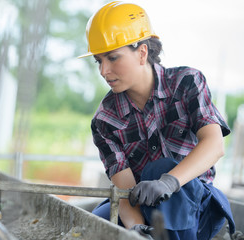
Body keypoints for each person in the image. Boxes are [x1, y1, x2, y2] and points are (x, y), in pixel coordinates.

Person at [78, 1, 236, 239]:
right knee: (96, 223)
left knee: (160, 169)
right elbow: (125, 189)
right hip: (144, 209)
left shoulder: (187, 83)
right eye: (99, 61)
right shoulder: (104, 120)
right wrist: (136, 229)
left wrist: (169, 182)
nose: (103, 71)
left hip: (196, 207)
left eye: (112, 58)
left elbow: (214, 145)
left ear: (142, 53)